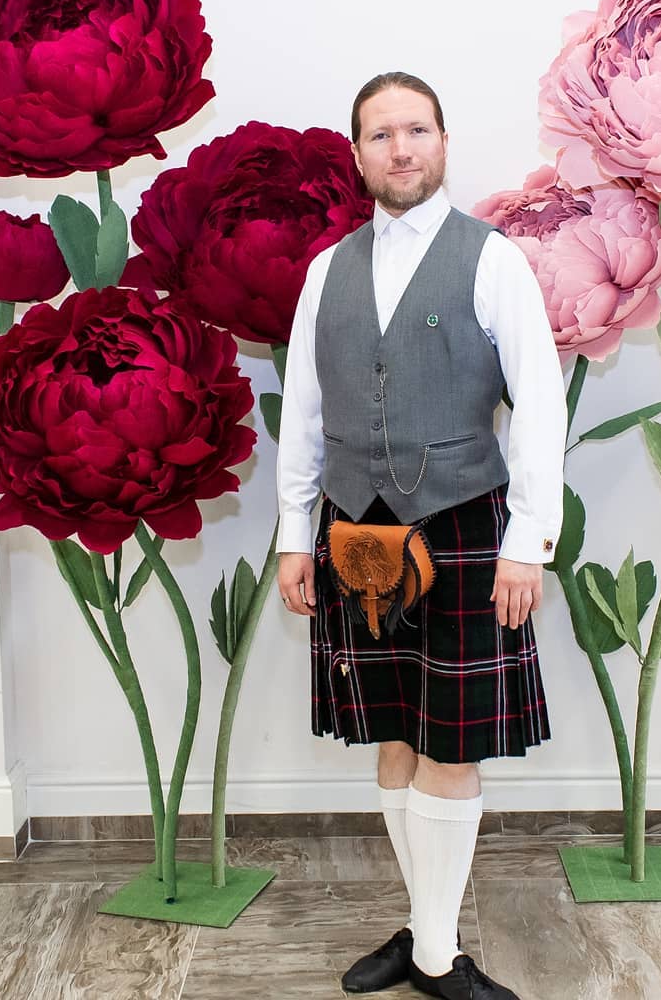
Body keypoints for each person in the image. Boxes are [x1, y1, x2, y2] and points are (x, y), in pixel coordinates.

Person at [276, 71, 566, 1000]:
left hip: (466, 524)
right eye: (379, 135)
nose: (400, 149)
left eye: (415, 130)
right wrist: (293, 533)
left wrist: (529, 542)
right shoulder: (327, 271)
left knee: (454, 743)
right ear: (356, 153)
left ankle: (435, 954)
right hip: (355, 531)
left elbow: (540, 405)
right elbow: (305, 415)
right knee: (394, 734)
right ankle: (430, 937)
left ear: (442, 141)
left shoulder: (492, 259)